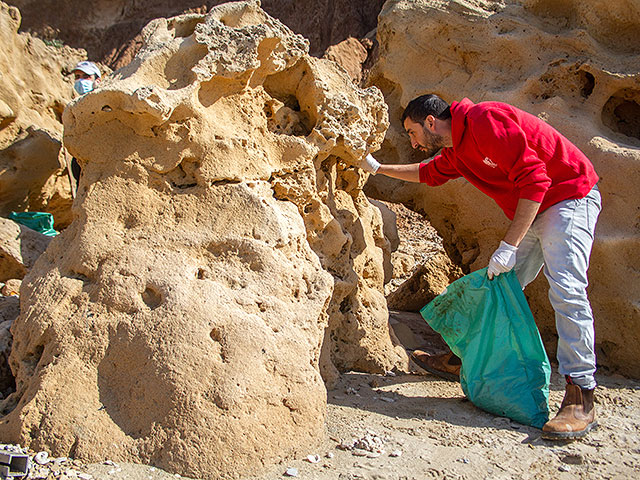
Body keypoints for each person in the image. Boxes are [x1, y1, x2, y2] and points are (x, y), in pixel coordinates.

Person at [360, 94, 601, 439]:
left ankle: (581, 395)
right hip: (537, 208)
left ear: (431, 122)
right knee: (499, 285)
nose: (412, 143)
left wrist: (509, 245)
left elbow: (536, 179)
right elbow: (429, 174)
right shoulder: (458, 151)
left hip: (569, 196)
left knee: (566, 288)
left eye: (412, 133)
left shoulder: (484, 121)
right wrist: (378, 168)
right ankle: (466, 358)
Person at [66, 61, 102, 189]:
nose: (80, 81)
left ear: (97, 80)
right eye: (77, 77)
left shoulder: (104, 103)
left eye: (86, 77)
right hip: (81, 164)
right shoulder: (75, 106)